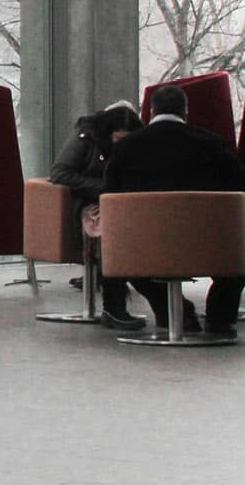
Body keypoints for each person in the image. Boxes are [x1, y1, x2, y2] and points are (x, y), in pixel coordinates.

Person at [103, 84, 245, 337]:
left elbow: (111, 196)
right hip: (208, 245)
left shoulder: (126, 149)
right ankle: (220, 318)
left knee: (127, 257)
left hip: (144, 248)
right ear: (186, 112)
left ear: (151, 111)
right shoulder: (212, 145)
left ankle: (172, 311)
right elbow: (239, 188)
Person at [49, 102, 145, 330]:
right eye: (119, 140)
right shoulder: (85, 138)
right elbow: (60, 173)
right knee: (110, 230)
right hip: (89, 201)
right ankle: (115, 306)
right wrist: (104, 186)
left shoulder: (137, 143)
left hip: (125, 201)